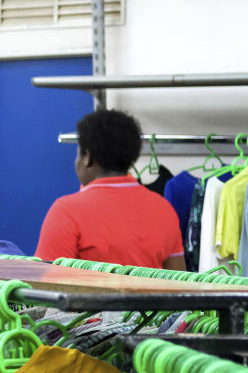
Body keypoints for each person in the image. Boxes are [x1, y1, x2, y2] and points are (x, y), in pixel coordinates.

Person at [35, 109, 185, 270]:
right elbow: (179, 282)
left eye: (78, 153)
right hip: (152, 296)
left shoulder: (66, 211)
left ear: (87, 157)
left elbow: (46, 285)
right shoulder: (163, 209)